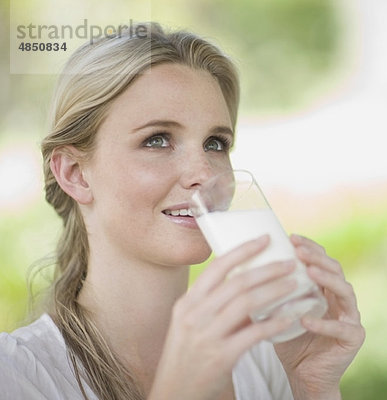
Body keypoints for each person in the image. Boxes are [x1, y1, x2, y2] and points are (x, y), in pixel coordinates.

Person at [0, 22, 365, 400]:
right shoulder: (16, 377)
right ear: (75, 174)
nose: (204, 172)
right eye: (157, 140)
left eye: (215, 143)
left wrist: (310, 387)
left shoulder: (264, 356)